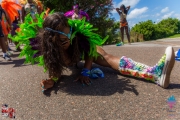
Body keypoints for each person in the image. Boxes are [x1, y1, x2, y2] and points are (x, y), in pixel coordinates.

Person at [10, 13, 175, 92]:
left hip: (83, 51)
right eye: (62, 39)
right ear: (50, 39)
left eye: (69, 35)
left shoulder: (78, 37)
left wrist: (85, 70)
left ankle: (154, 73)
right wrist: (52, 81)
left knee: (105, 58)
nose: (67, 41)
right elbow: (55, 71)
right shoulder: (46, 50)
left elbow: (89, 52)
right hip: (62, 55)